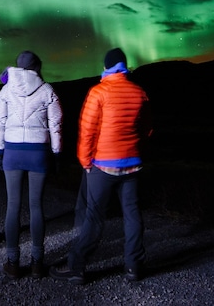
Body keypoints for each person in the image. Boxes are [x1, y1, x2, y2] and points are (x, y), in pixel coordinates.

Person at [50, 48, 152, 285]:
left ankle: (77, 268)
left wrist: (86, 162)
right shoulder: (139, 93)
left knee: (94, 217)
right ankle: (134, 267)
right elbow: (147, 129)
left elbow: (87, 131)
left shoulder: (98, 92)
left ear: (106, 66)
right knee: (133, 215)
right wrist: (136, 151)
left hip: (103, 165)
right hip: (132, 165)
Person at [0, 50, 63, 279]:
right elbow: (56, 123)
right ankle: (36, 263)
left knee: (12, 205)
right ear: (37, 66)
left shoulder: (5, 90)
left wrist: (1, 150)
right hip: (38, 153)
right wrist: (56, 152)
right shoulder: (47, 90)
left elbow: (0, 122)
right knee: (36, 206)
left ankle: (13, 263)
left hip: (13, 151)